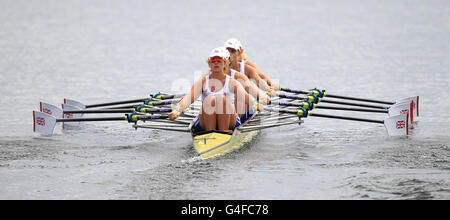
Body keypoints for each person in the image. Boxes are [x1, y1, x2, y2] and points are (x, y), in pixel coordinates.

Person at [168, 47, 261, 131]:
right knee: (210, 99)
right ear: (209, 63)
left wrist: (256, 104)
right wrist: (177, 110)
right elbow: (188, 98)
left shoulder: (232, 82)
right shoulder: (203, 81)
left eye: (219, 60)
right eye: (213, 60)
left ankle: (223, 133)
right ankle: (210, 134)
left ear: (225, 63)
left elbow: (245, 96)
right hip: (206, 120)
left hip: (229, 121)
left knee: (221, 99)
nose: (216, 62)